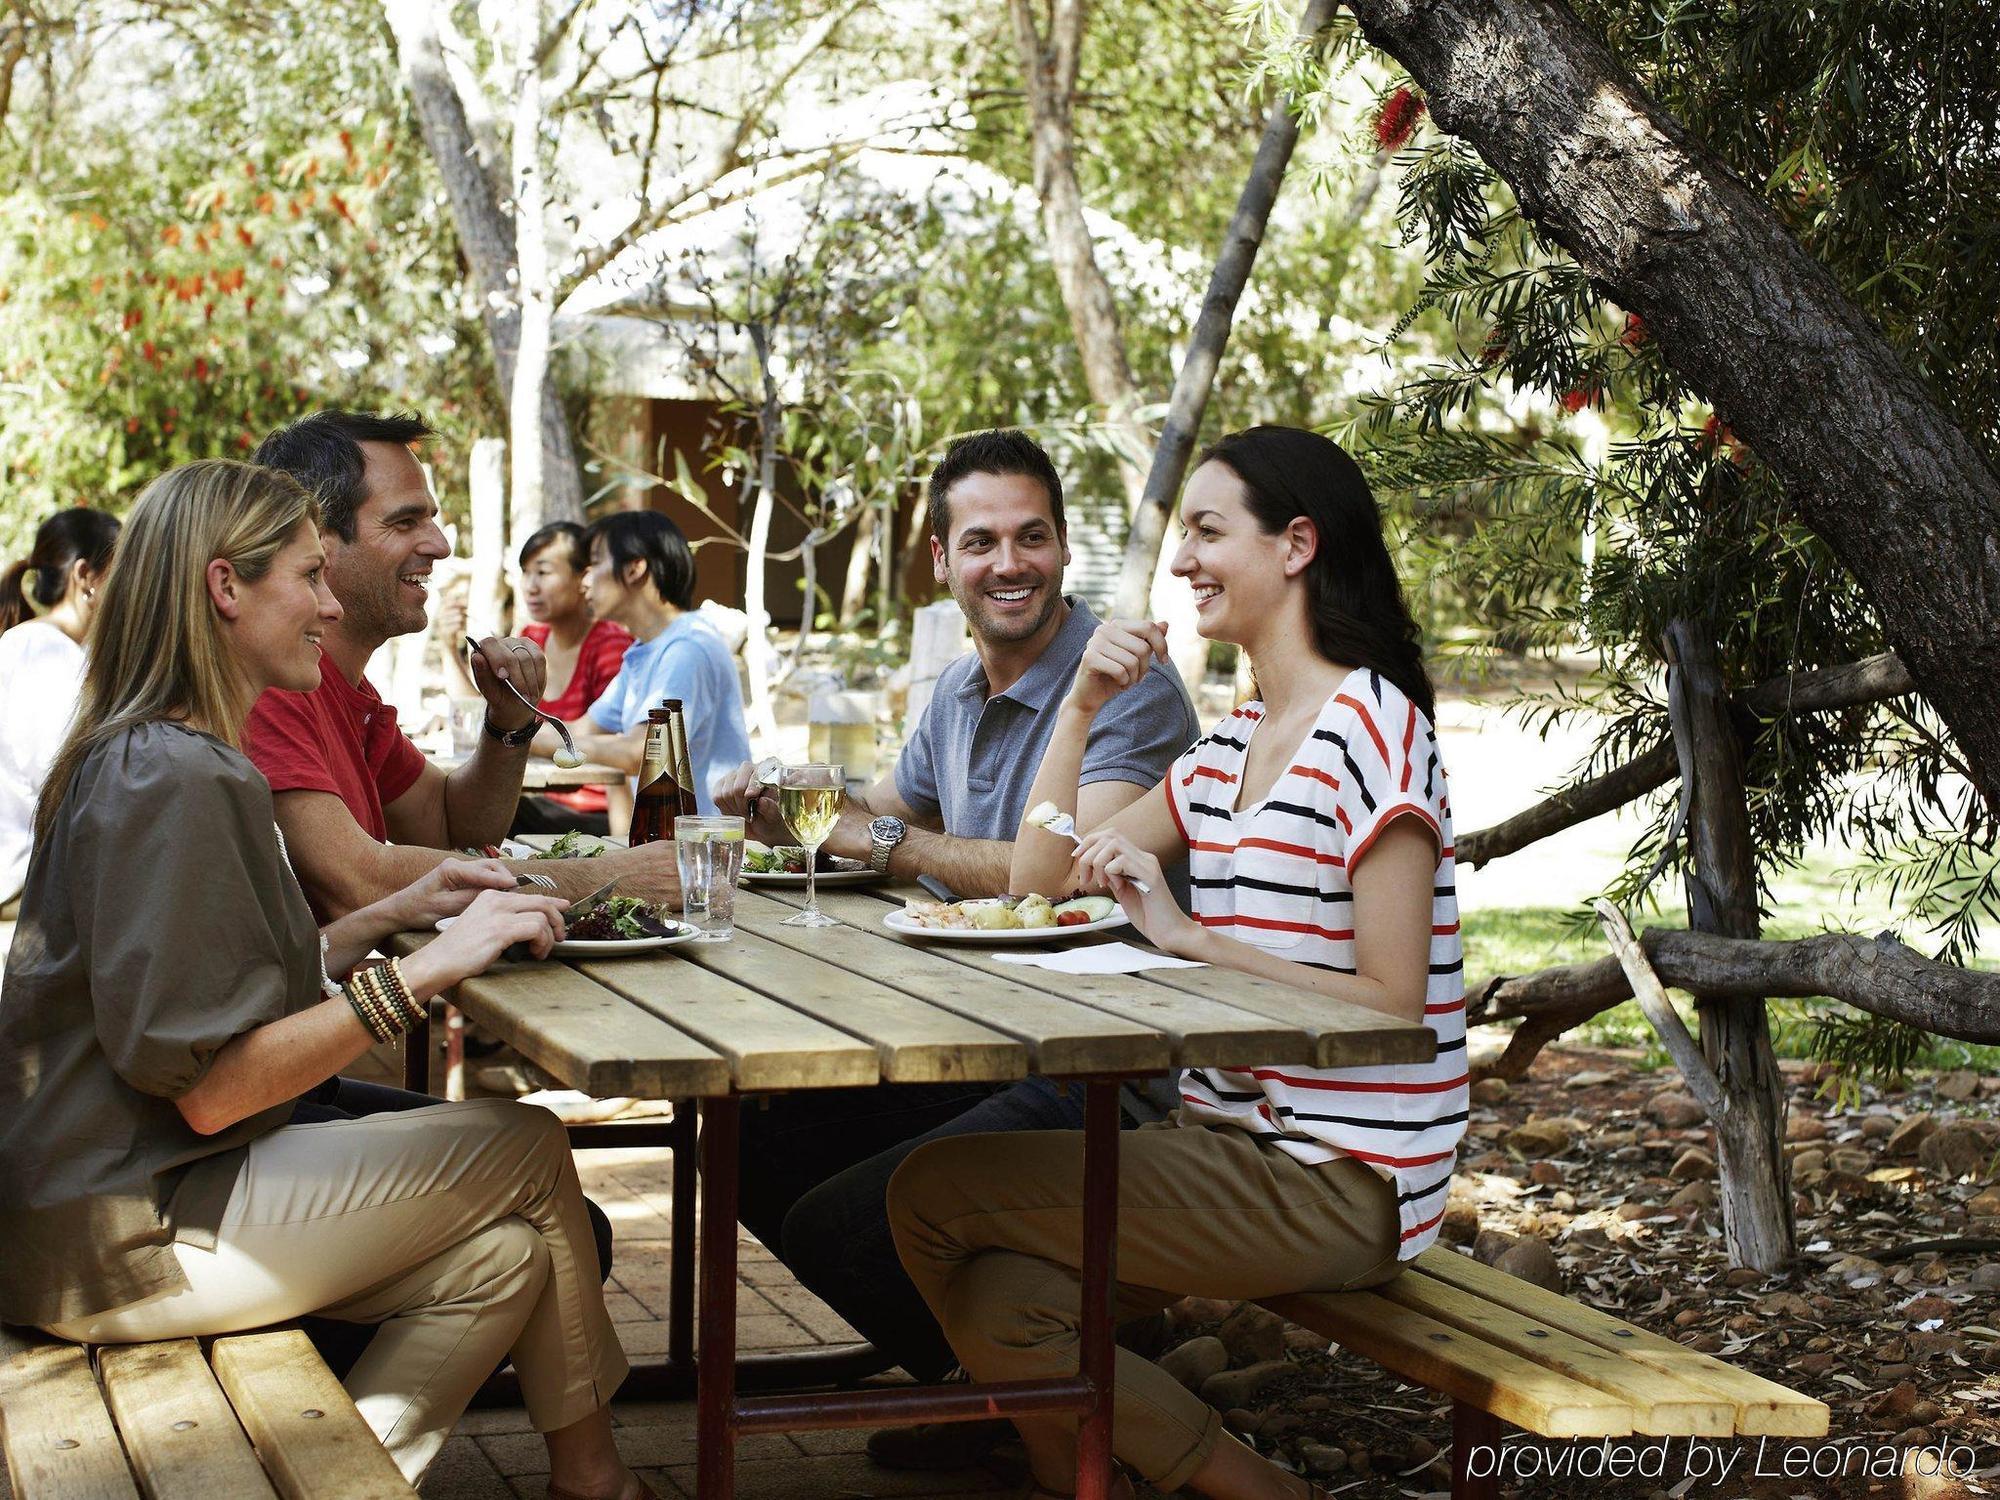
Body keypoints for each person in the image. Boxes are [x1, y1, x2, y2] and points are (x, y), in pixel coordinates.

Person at [0, 460, 655, 1499]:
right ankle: (597, 1484)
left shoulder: (142, 752)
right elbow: (214, 1088)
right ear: (225, 588)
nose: (327, 602)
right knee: (527, 1146)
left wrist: (387, 920)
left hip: (93, 1210)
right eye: (307, 577)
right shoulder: (180, 776)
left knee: (505, 1261)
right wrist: (427, 968)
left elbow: (196, 986)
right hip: (130, 1228)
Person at [885, 426, 1468, 1500]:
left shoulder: (1372, 730)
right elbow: (1037, 878)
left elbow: (1398, 1004)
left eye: (1208, 532)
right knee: (1003, 1293)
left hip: (1341, 1176)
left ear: (1294, 546)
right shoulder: (1235, 742)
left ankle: (1249, 1492)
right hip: (1241, 1142)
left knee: (928, 1195)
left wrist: (1192, 939)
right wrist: (1077, 709)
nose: (1183, 560)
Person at [709, 429, 1198, 1469]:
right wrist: (785, 797)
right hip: (979, 1039)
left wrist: (875, 840)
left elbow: (1059, 875)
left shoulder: (1128, 689)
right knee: (745, 1141)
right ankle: (1009, 1385)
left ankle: (1050, 1390)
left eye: (1031, 537)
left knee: (847, 1222)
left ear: (1065, 549)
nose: (1007, 563)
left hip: (1098, 1062)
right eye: (980, 542)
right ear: (941, 562)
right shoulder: (956, 693)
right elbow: (878, 814)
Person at [239, 410, 680, 918]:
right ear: (317, 540)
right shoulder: (271, 688)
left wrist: (509, 722)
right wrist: (611, 877)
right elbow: (357, 882)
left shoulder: (345, 688)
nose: (440, 545)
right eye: (405, 521)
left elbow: (453, 825)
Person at [551, 510, 750, 815]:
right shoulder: (645, 650)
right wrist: (508, 733)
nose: (585, 582)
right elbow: (582, 730)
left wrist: (526, 745)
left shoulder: (687, 648)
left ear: (634, 569)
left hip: (706, 848)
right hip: (674, 842)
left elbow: (642, 752)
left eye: (596, 562)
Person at [0, 507, 121, 911]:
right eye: (121, 573)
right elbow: (62, 783)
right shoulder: (45, 656)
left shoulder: (40, 647)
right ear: (85, 577)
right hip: (24, 888)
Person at [509, 520, 634, 836]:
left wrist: (623, 845)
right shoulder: (530, 639)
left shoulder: (609, 644)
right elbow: (492, 715)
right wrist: (448, 650)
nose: (530, 586)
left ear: (583, 577)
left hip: (594, 812)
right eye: (526, 572)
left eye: (544, 572)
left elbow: (621, 751)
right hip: (537, 796)